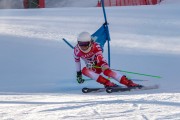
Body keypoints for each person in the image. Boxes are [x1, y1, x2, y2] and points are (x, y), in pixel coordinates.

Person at [73, 31, 142, 88]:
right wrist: (79, 75)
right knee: (84, 71)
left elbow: (100, 57)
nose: (83, 47)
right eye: (81, 44)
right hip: (92, 67)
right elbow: (77, 62)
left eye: (85, 44)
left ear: (90, 42)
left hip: (101, 63)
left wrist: (93, 64)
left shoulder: (96, 46)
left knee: (106, 71)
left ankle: (128, 83)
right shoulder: (76, 50)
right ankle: (108, 83)